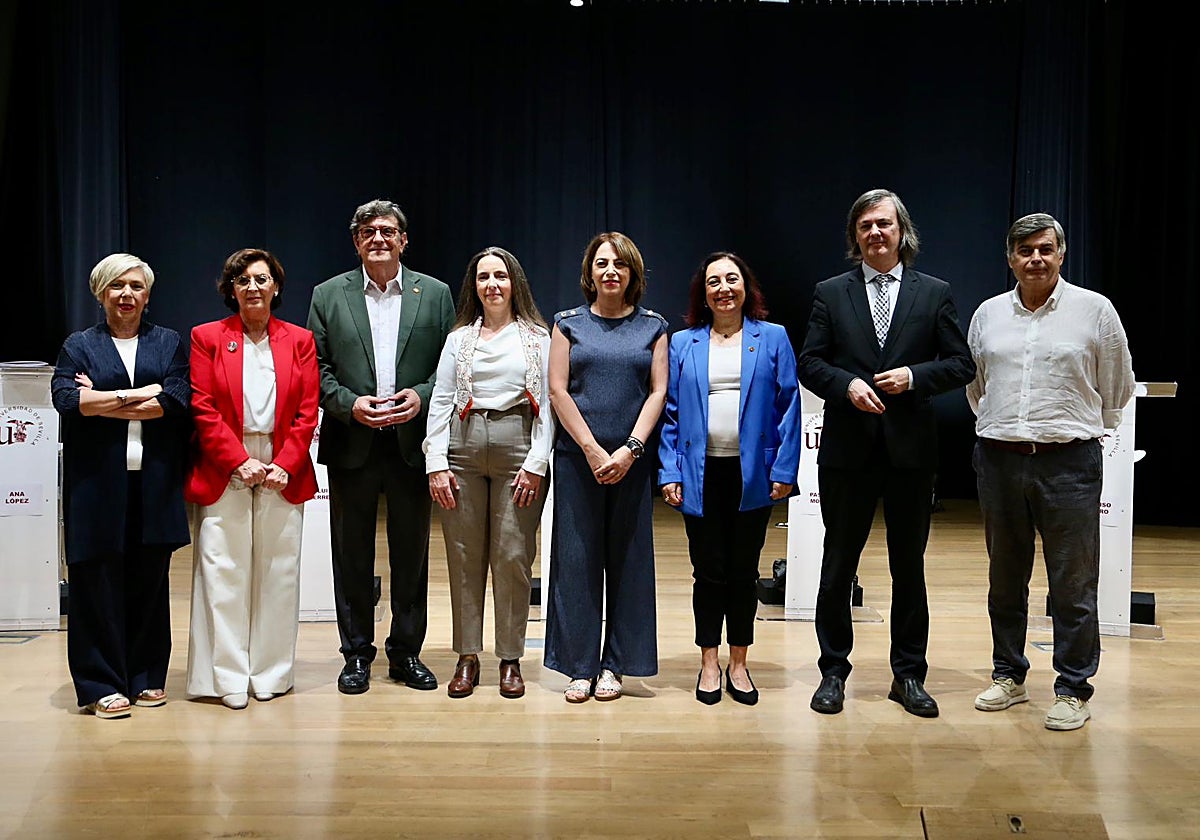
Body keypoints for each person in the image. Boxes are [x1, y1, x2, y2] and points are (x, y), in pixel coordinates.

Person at [798, 189, 976, 718]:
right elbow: (810, 361)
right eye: (866, 225)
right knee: (837, 566)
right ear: (855, 236)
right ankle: (833, 671)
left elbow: (960, 363)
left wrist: (915, 377)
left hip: (910, 453)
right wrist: (847, 385)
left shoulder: (934, 292)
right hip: (847, 452)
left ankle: (909, 675)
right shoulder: (831, 292)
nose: (876, 233)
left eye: (885, 224)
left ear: (903, 233)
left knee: (909, 567)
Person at [967, 213, 1134, 731]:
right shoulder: (988, 315)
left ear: (1061, 254)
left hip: (1069, 462)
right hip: (999, 461)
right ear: (1010, 259)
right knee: (1004, 577)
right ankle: (1008, 675)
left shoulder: (1095, 311)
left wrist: (1075, 427)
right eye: (1024, 251)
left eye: (1045, 249)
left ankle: (1072, 687)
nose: (1035, 259)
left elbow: (1117, 386)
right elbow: (977, 387)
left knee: (1072, 581)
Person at [307, 198, 454, 695]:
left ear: (404, 240)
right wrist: (350, 405)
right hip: (353, 441)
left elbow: (452, 368)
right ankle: (355, 655)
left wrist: (423, 395)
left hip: (413, 444)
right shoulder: (328, 295)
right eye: (368, 231)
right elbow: (316, 370)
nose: (378, 239)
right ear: (355, 241)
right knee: (351, 555)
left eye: (388, 231)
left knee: (411, 555)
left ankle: (406, 653)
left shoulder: (434, 294)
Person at [51, 253, 191, 719]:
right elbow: (69, 400)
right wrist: (139, 393)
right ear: (101, 293)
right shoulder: (79, 345)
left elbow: (174, 401)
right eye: (117, 286)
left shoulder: (167, 342)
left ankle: (148, 676)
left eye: (135, 286)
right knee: (97, 583)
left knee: (149, 581)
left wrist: (104, 398)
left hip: (153, 483)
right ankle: (100, 682)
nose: (126, 294)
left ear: (147, 296)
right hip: (95, 486)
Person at [658, 252, 801, 706]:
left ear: (746, 288)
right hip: (700, 473)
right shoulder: (682, 342)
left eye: (732, 279)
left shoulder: (773, 337)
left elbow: (788, 406)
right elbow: (670, 414)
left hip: (752, 473)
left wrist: (784, 469)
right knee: (708, 572)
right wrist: (669, 470)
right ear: (703, 293)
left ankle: (738, 662)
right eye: (714, 281)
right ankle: (707, 660)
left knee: (743, 571)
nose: (723, 288)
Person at [184, 248, 320, 709]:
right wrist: (237, 459)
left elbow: (307, 409)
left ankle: (271, 674)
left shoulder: (299, 340)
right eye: (243, 281)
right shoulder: (207, 337)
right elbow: (201, 405)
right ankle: (226, 678)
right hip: (227, 462)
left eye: (261, 279)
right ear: (232, 290)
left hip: (284, 465)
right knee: (224, 570)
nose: (253, 287)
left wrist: (286, 461)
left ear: (276, 286)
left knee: (279, 573)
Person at [423, 247, 553, 699]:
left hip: (518, 445)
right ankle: (467, 656)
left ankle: (511, 658)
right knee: (463, 556)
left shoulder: (538, 337)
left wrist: (537, 463)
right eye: (483, 277)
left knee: (513, 555)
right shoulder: (460, 339)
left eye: (500, 275)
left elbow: (550, 405)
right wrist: (435, 462)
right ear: (474, 286)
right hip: (463, 446)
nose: (492, 284)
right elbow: (441, 399)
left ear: (514, 281)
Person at [544, 231, 668, 703]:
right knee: (575, 562)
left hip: (631, 464)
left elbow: (658, 391)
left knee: (628, 563)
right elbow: (558, 390)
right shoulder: (567, 324)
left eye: (620, 264)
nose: (610, 271)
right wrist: (594, 451)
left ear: (633, 272)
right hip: (579, 462)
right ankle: (579, 666)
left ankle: (616, 664)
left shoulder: (653, 327)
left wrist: (630, 450)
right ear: (589, 273)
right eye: (602, 263)